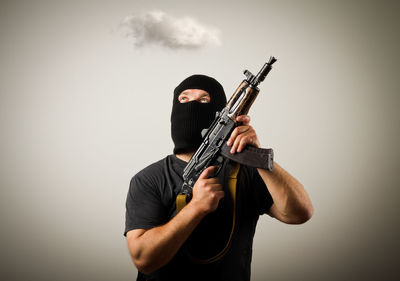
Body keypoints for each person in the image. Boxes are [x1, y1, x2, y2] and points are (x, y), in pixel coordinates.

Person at [124, 74, 314, 281]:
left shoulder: (246, 171)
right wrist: (197, 206)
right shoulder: (149, 178)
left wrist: (260, 159)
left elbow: (300, 213)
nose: (193, 105)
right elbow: (143, 259)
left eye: (204, 99)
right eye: (184, 99)